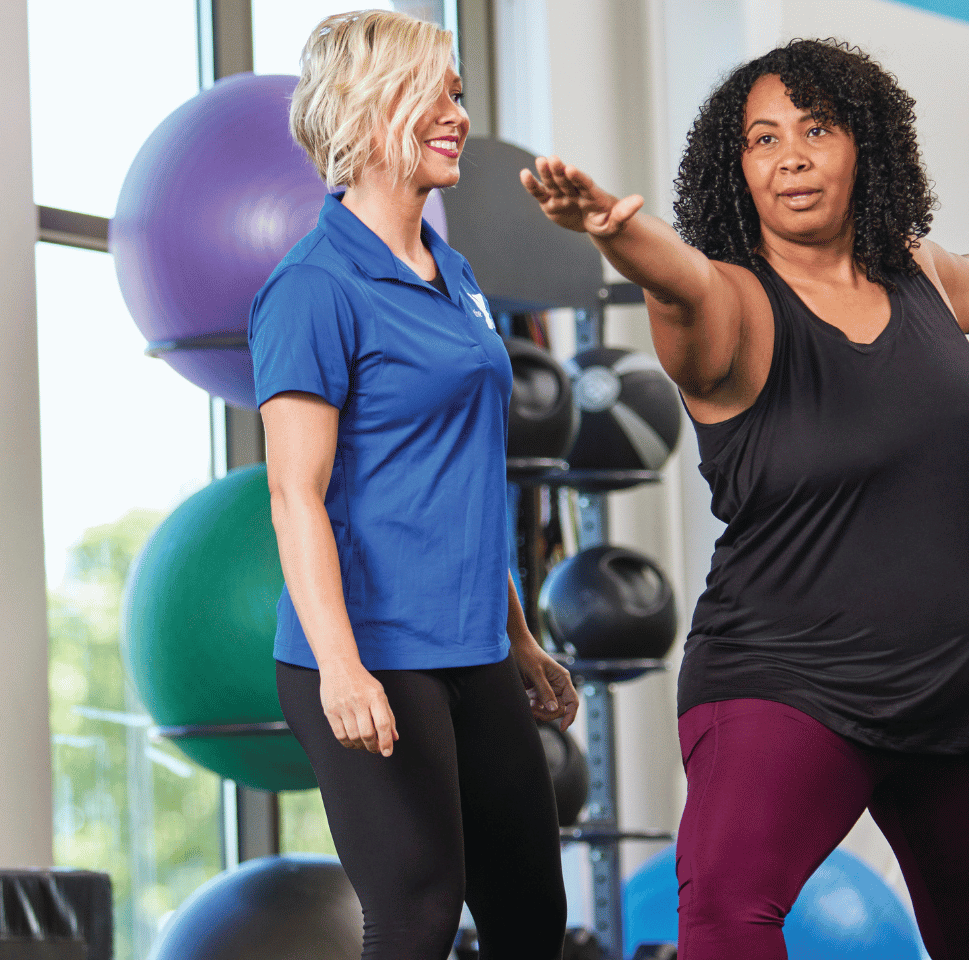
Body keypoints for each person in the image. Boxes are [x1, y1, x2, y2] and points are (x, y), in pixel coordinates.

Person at [521, 37, 969, 960]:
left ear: (867, 149)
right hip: (791, 676)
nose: (793, 157)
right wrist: (615, 226)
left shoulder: (917, 272)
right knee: (727, 912)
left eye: (817, 129)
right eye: (763, 140)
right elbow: (677, 280)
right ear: (737, 171)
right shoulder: (730, 306)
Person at [248, 11, 576, 960]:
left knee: (531, 919)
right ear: (365, 108)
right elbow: (294, 496)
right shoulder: (313, 286)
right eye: (435, 93)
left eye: (459, 95)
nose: (457, 115)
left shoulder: (454, 273)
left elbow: (465, 475)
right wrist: (341, 666)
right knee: (418, 918)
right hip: (371, 649)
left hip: (472, 644)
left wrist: (516, 635)